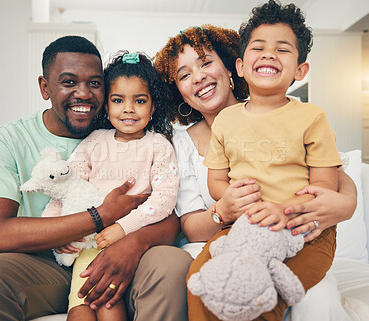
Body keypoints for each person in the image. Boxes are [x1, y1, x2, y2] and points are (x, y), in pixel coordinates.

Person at [0, 35, 192, 321]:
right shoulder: (10, 140)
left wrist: (130, 242)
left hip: (127, 250)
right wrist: (100, 216)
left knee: (171, 264)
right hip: (50, 261)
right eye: (68, 82)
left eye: (95, 83)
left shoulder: (138, 137)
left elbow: (166, 210)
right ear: (45, 87)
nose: (84, 94)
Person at [154, 21, 356, 321]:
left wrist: (345, 202)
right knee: (212, 286)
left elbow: (331, 178)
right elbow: (191, 225)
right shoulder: (177, 144)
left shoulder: (285, 111)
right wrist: (225, 208)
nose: (199, 77)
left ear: (232, 68)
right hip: (232, 237)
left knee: (305, 298)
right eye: (185, 75)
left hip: (297, 232)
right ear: (179, 93)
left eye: (206, 63)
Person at [42, 51, 179, 321]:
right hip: (89, 244)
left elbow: (164, 199)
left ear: (153, 108)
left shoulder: (158, 146)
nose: (128, 109)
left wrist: (122, 228)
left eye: (139, 101)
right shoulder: (94, 141)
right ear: (106, 106)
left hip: (131, 246)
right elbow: (67, 185)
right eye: (118, 100)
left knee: (108, 306)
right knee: (80, 308)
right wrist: (55, 229)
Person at [205, 0, 341, 233]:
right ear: (240, 67)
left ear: (300, 70)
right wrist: (235, 198)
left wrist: (282, 209)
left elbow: (325, 185)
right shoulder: (225, 120)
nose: (268, 54)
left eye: (282, 49)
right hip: (244, 223)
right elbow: (216, 181)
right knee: (204, 268)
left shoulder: (312, 117)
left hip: (303, 226)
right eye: (258, 48)